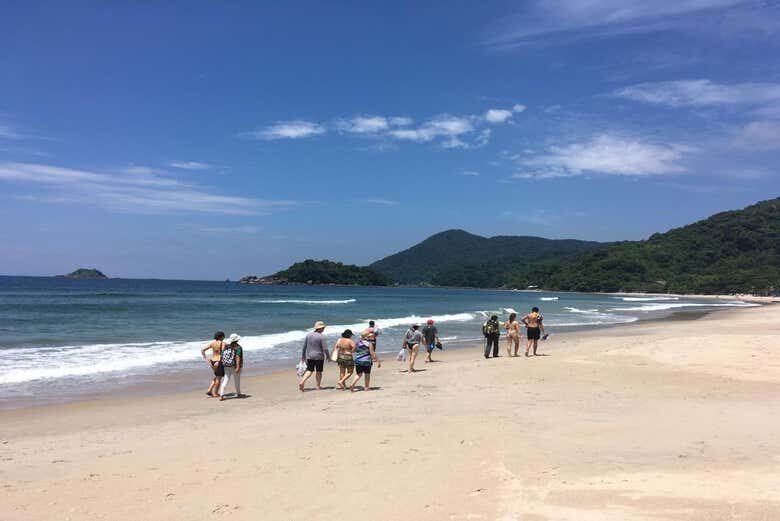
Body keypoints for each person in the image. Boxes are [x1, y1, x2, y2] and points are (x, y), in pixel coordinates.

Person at [299, 321, 329, 391]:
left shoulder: (308, 335)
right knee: (319, 371)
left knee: (309, 370)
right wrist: (328, 356)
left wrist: (303, 357)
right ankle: (318, 386)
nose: (324, 329)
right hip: (319, 357)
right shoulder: (321, 336)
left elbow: (304, 346)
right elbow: (325, 348)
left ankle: (302, 381)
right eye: (323, 328)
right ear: (320, 328)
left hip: (310, 356)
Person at [218, 333, 244, 400]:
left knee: (225, 380)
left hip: (226, 365)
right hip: (234, 366)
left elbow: (222, 355)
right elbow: (238, 357)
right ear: (237, 340)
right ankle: (238, 394)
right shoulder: (238, 347)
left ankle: (221, 395)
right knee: (237, 381)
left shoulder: (227, 346)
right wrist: (238, 367)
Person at [201, 331, 225, 397]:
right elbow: (223, 353)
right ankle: (215, 393)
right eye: (223, 336)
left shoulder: (212, 343)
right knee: (219, 378)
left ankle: (209, 390)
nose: (224, 337)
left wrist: (206, 358)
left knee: (216, 376)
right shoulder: (223, 343)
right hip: (219, 361)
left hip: (212, 361)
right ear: (221, 337)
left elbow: (202, 350)